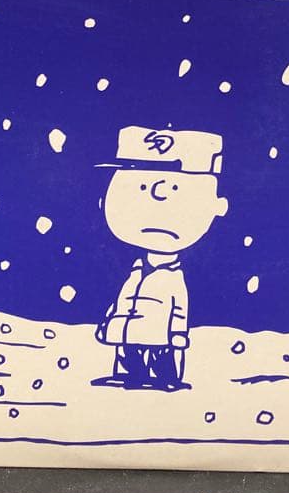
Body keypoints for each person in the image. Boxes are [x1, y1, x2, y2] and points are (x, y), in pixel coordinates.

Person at [92, 126, 228, 391]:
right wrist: (112, 320)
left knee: (162, 356)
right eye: (141, 187)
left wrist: (177, 334)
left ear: (217, 206)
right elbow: (124, 300)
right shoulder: (136, 271)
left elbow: (179, 307)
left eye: (175, 189)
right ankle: (132, 374)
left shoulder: (173, 276)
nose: (158, 197)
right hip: (129, 330)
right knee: (130, 353)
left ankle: (167, 377)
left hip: (160, 333)